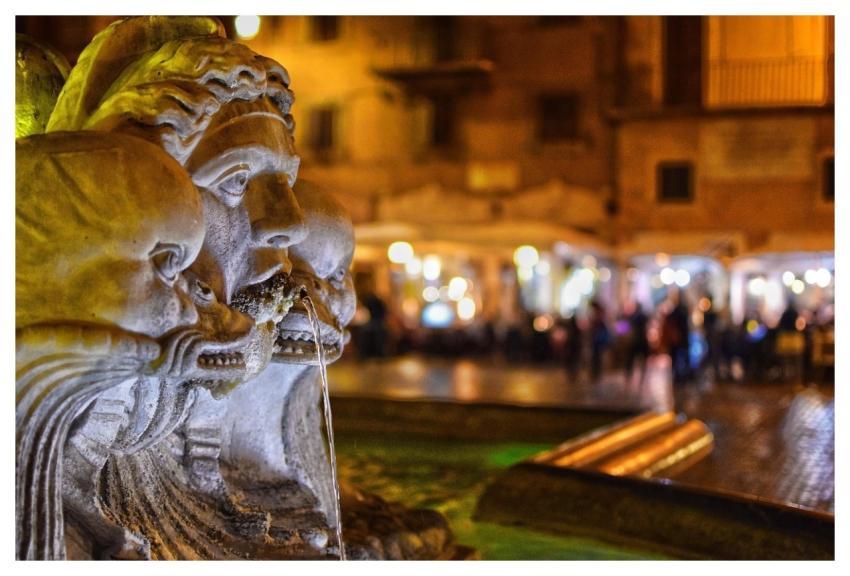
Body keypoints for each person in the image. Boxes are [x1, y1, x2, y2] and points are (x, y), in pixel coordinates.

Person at [626, 303, 650, 382]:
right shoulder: (644, 316)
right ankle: (641, 378)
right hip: (642, 340)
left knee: (631, 359)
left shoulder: (633, 316)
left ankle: (629, 376)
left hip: (635, 341)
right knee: (642, 360)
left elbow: (627, 328)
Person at [589, 300, 611, 382]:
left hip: (598, 339)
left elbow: (601, 325)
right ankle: (596, 373)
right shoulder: (600, 314)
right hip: (596, 339)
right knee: (596, 356)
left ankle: (596, 373)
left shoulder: (599, 315)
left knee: (597, 356)